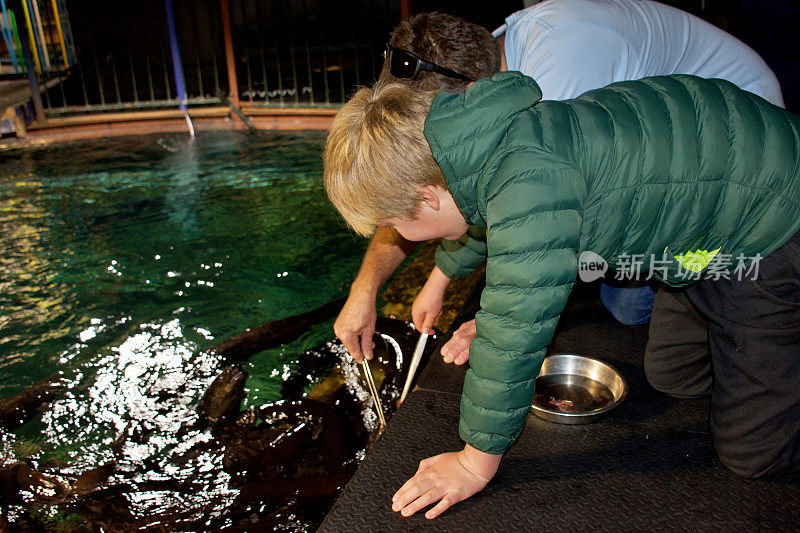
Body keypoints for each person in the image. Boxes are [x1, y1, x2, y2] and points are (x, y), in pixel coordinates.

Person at [323, 71, 800, 518]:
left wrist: (473, 463)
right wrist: (439, 280)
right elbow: (481, 216)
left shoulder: (527, 188)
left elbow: (514, 333)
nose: (398, 235)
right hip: (703, 217)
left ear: (427, 197)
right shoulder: (482, 142)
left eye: (393, 225)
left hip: (771, 221)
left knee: (755, 454)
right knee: (674, 376)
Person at [333, 0, 785, 365]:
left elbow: (537, 220)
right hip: (678, 140)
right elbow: (462, 191)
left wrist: (502, 321)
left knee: (630, 304)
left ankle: (744, 293)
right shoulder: (494, 61)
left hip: (742, 159)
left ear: (466, 92)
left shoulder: (559, 78)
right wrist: (377, 286)